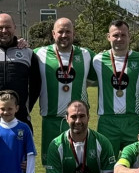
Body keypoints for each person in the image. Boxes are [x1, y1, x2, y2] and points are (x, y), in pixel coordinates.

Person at [35, 18, 95, 151]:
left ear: (74, 33)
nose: (64, 35)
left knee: (78, 161)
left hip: (77, 120)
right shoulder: (38, 54)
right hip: (50, 120)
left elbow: (97, 78)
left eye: (68, 31)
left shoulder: (87, 54)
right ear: (53, 34)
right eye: (60, 31)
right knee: (51, 164)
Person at [93, 19, 139, 153]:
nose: (119, 38)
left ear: (129, 36)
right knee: (107, 165)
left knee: (134, 164)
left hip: (132, 120)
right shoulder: (97, 60)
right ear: (108, 37)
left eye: (123, 35)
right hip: (107, 120)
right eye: (115, 35)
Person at [0, 13, 39, 129]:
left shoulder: (27, 53)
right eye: (0, 27)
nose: (4, 30)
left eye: (8, 27)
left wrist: (24, 107)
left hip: (20, 117)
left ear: (15, 28)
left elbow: (36, 85)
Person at [44, 100, 116, 173]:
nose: (78, 121)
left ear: (88, 118)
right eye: (74, 117)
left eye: (82, 116)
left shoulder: (102, 142)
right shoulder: (56, 146)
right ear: (67, 119)